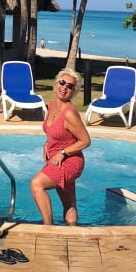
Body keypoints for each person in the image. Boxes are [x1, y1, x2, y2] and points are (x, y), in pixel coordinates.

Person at [30, 68, 91, 225]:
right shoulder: (51, 105)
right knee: (69, 203)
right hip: (56, 159)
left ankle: (48, 229)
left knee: (37, 184)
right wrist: (47, 143)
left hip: (70, 161)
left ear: (74, 91)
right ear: (56, 83)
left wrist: (63, 152)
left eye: (69, 86)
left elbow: (85, 141)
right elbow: (55, 132)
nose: (64, 87)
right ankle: (72, 231)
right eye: (62, 82)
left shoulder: (69, 113)